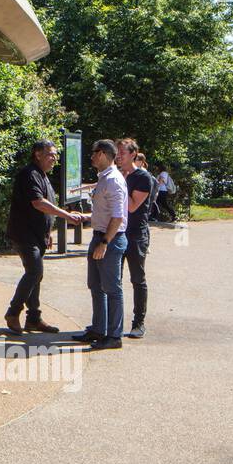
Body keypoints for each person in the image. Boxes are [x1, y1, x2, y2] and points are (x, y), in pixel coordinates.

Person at [4, 140, 84, 335]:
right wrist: (67, 215)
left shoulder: (43, 176)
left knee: (36, 276)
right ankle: (13, 313)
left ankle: (33, 319)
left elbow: (44, 209)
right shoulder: (29, 174)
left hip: (37, 235)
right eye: (50, 154)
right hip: (24, 234)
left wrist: (47, 233)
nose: (54, 158)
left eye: (55, 155)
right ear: (37, 154)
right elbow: (38, 203)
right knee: (34, 272)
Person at [74, 139, 129, 350]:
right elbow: (106, 212)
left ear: (105, 154)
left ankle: (114, 336)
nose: (92, 156)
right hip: (100, 236)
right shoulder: (104, 178)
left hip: (110, 240)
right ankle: (98, 329)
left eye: (94, 152)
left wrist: (105, 242)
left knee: (112, 289)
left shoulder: (113, 180)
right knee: (96, 286)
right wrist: (88, 217)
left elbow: (118, 217)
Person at [116, 140, 155, 339]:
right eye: (117, 152)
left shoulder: (142, 177)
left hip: (136, 235)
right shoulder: (116, 174)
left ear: (133, 154)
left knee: (137, 279)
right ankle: (113, 323)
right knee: (114, 280)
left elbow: (131, 207)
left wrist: (120, 184)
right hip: (116, 233)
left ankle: (138, 322)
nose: (118, 155)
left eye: (122, 152)